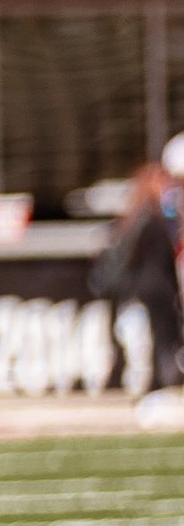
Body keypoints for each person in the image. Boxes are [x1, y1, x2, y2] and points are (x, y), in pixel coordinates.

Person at [96, 133, 184, 411]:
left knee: (156, 337)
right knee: (160, 336)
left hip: (149, 286)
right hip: (156, 286)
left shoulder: (145, 212)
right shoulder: (157, 212)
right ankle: (161, 383)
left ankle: (159, 382)